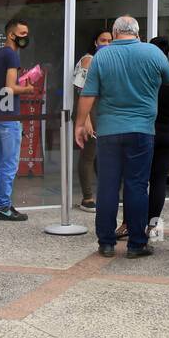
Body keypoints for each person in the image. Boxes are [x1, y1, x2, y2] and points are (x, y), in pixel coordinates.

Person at [74, 15, 169, 258]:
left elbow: (88, 94)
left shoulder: (102, 56)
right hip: (141, 130)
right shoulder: (152, 52)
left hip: (108, 131)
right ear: (137, 33)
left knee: (107, 185)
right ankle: (137, 244)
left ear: (116, 33)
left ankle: (106, 242)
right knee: (137, 186)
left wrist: (79, 124)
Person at [138, 35, 169, 237]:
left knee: (139, 180)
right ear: (168, 53)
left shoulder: (143, 74)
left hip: (144, 130)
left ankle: (133, 223)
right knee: (159, 180)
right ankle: (152, 226)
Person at [0, 17, 35, 221]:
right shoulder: (12, 56)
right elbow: (10, 87)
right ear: (11, 34)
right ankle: (5, 206)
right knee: (9, 163)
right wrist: (28, 88)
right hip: (8, 115)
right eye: (22, 34)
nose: (26, 37)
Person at [71, 29, 112, 211]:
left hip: (103, 111)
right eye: (103, 40)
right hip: (89, 110)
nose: (107, 44)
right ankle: (87, 197)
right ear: (95, 42)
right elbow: (81, 89)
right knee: (89, 154)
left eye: (110, 40)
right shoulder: (89, 60)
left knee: (101, 155)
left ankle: (105, 192)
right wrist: (85, 118)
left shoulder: (108, 60)